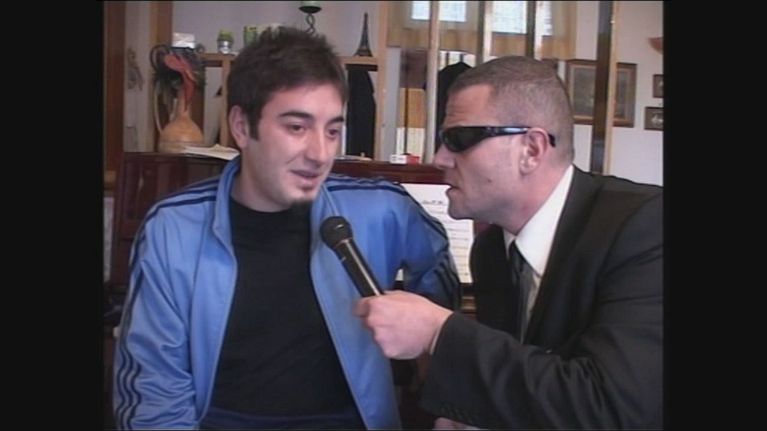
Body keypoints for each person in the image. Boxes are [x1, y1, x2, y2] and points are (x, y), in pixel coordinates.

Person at [112, 26, 460, 430]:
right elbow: (154, 394)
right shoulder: (173, 228)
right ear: (242, 127)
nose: (320, 154)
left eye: (332, 131)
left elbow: (436, 259)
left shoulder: (382, 208)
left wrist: (433, 351)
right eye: (297, 127)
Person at [355, 55, 663, 429]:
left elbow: (612, 409)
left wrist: (439, 331)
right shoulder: (491, 252)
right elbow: (521, 387)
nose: (440, 159)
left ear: (531, 150)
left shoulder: (645, 227)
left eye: (458, 139)